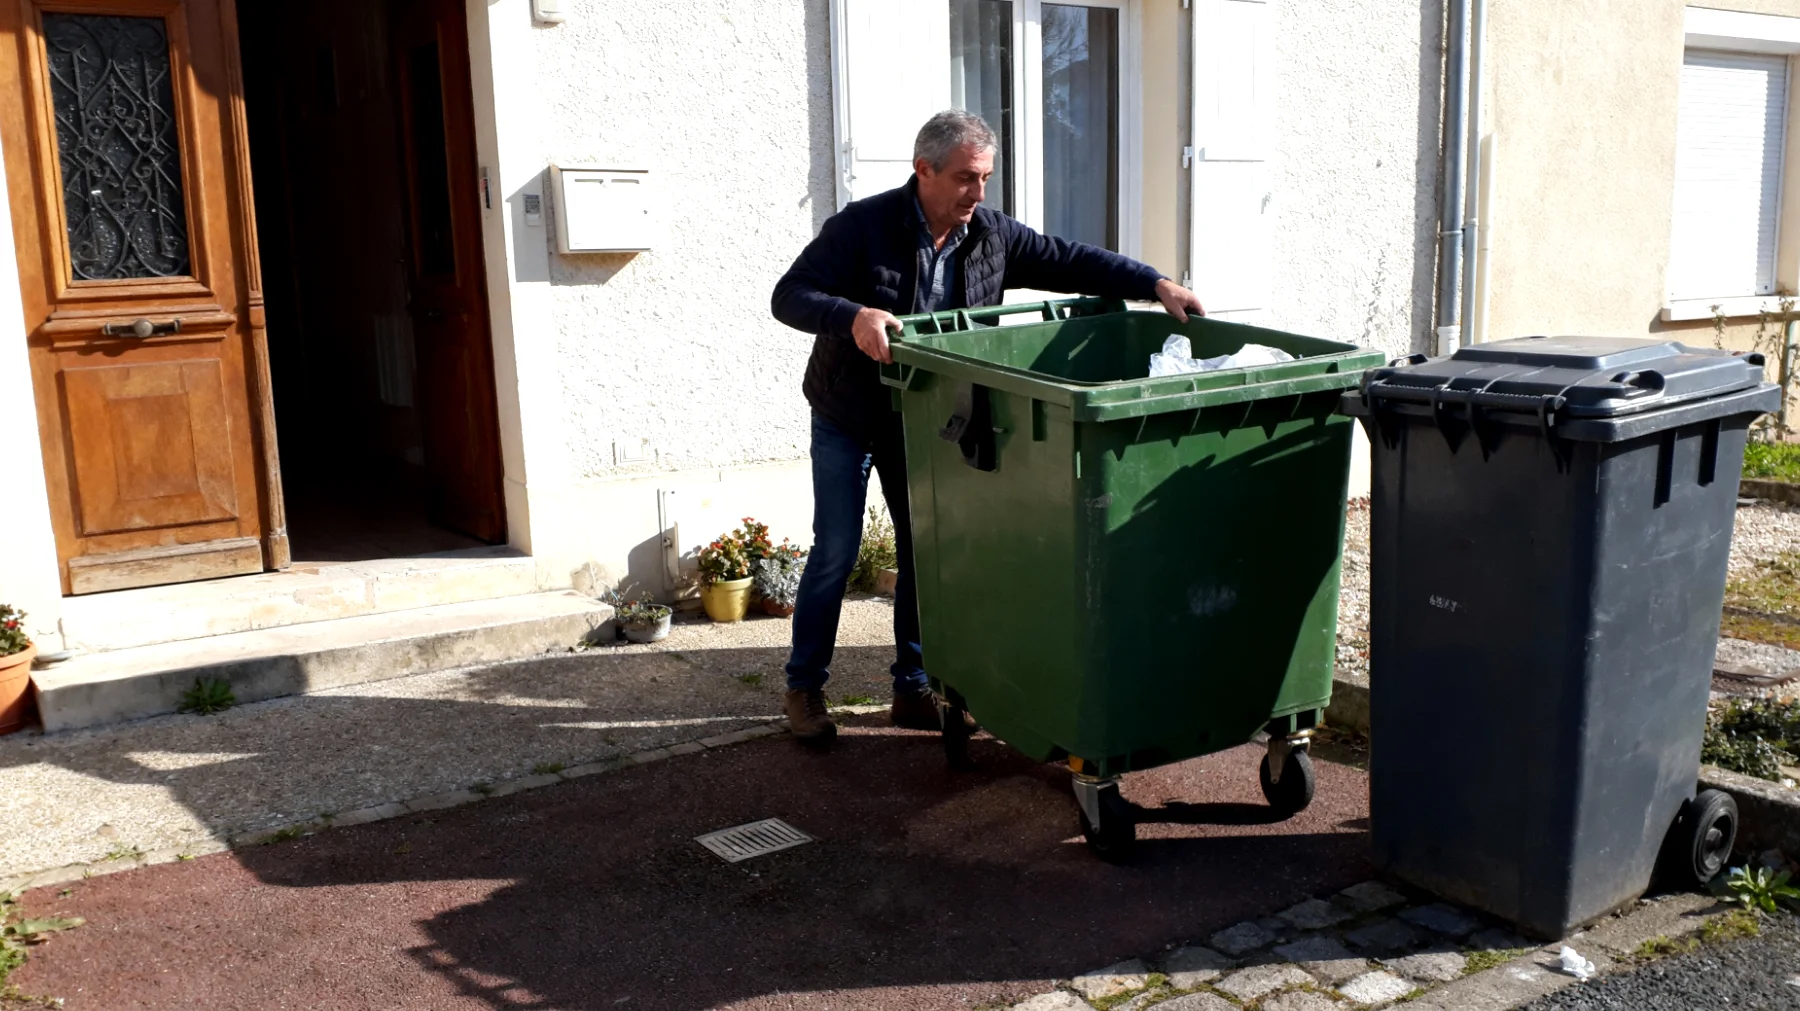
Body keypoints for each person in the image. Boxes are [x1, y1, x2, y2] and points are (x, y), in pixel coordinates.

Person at [770, 110, 1205, 744]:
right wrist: (852, 315)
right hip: (849, 414)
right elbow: (789, 294)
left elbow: (1070, 260)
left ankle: (912, 686)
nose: (977, 192)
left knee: (925, 550)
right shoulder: (862, 226)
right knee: (836, 550)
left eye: (984, 178)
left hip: (923, 416)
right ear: (923, 170)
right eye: (965, 178)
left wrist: (1153, 282)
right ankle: (805, 687)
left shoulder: (990, 235)